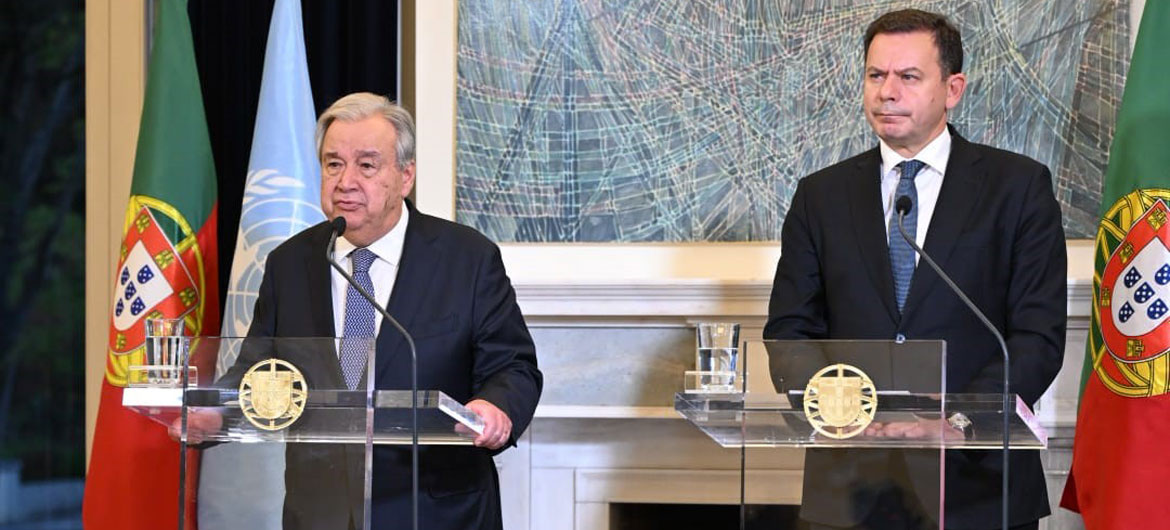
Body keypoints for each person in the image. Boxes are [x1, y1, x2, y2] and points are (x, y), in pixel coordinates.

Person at [764, 9, 1066, 530]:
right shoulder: (821, 196)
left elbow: (1037, 338)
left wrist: (959, 421)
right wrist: (848, 412)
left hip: (978, 486)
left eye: (908, 77)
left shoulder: (1017, 189)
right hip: (851, 485)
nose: (887, 92)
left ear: (953, 88)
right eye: (876, 75)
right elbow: (790, 334)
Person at [220, 92, 542, 529]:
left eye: (367, 165)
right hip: (321, 514)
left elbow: (514, 366)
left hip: (437, 512)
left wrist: (494, 407)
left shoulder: (466, 259)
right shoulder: (290, 263)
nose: (345, 181)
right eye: (333, 164)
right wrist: (211, 410)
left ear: (405, 176)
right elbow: (257, 371)